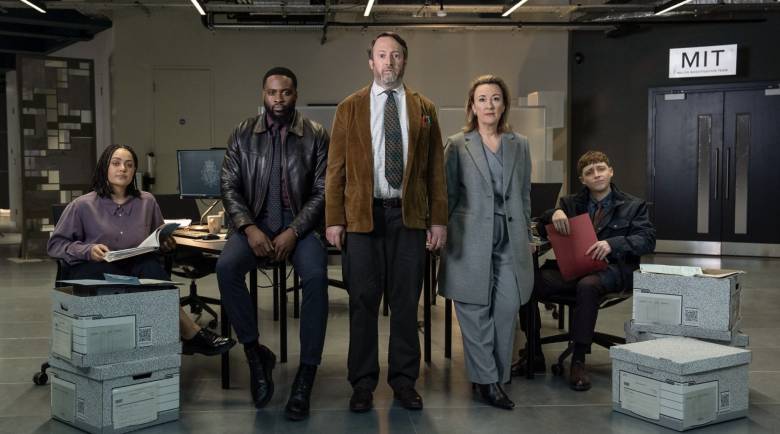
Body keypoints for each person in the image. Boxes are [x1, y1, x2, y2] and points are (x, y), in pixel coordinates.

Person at [325, 32, 447, 413]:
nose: (389, 62)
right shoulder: (350, 107)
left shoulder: (424, 107)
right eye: (382, 55)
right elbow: (335, 170)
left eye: (395, 55)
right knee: (362, 302)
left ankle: (404, 382)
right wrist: (334, 219)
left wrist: (438, 220)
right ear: (371, 62)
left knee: (407, 302)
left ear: (404, 62)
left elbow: (435, 172)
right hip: (363, 218)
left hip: (409, 218)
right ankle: (362, 384)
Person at [47, 144, 235, 357]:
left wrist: (165, 244)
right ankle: (190, 334)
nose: (123, 169)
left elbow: (157, 238)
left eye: (129, 165)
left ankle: (186, 334)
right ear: (104, 168)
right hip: (95, 266)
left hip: (135, 263)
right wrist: (87, 250)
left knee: (153, 272)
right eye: (116, 163)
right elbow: (55, 245)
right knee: (118, 277)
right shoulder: (82, 205)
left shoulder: (147, 201)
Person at [217, 67, 330, 420]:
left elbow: (323, 189)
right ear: (263, 94)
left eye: (285, 92)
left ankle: (306, 375)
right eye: (272, 93)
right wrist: (248, 228)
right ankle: (255, 354)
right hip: (255, 226)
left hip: (301, 228)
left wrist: (294, 231)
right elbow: (229, 185)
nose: (278, 99)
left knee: (315, 279)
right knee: (226, 268)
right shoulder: (242, 132)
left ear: (295, 94)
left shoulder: (315, 134)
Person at [515, 150, 655, 391]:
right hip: (575, 267)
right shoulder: (570, 203)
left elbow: (647, 240)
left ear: (610, 171)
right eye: (589, 172)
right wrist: (554, 213)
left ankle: (578, 360)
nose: (597, 174)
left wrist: (613, 244)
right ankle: (534, 352)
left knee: (587, 286)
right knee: (527, 280)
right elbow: (540, 222)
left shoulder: (633, 205)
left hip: (612, 271)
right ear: (583, 179)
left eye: (601, 169)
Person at [438, 75, 534, 410]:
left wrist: (527, 235)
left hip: (510, 238)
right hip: (469, 239)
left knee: (507, 307)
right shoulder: (457, 143)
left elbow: (523, 194)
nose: (489, 105)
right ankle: (488, 382)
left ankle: (492, 374)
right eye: (482, 99)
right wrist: (439, 232)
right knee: (474, 310)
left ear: (504, 104)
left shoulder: (519, 143)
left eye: (495, 98)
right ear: (472, 106)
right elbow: (447, 195)